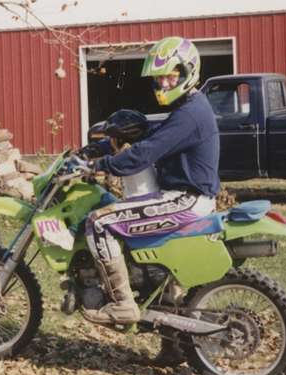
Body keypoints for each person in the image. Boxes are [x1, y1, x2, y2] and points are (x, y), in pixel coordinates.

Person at [83, 36, 221, 326]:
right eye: (159, 79)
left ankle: (122, 305)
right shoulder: (188, 108)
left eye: (169, 77)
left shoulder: (191, 114)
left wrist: (100, 165)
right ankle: (171, 345)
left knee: (98, 222)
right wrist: (102, 148)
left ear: (187, 72)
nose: (163, 85)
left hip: (186, 200)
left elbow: (144, 154)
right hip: (184, 197)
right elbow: (154, 137)